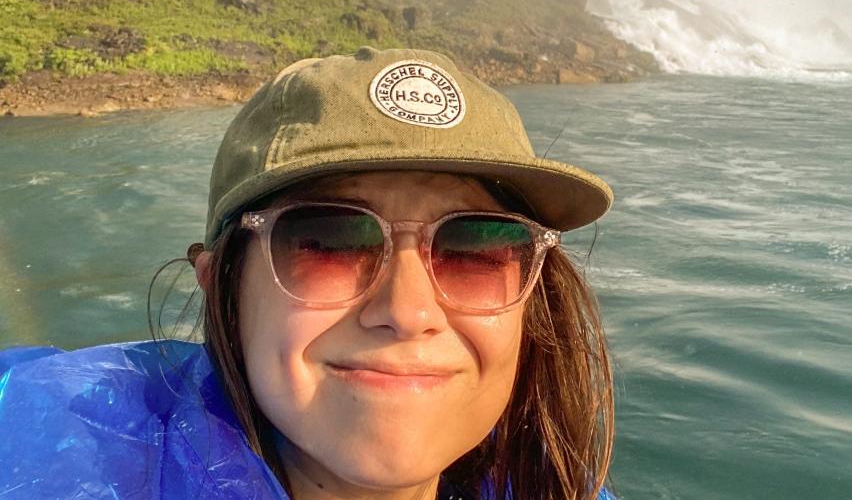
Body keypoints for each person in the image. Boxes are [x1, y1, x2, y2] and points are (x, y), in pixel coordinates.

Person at [0, 47, 617, 500]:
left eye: (476, 250)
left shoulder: (550, 486)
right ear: (221, 286)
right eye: (327, 242)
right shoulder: (48, 449)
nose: (409, 312)